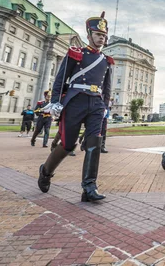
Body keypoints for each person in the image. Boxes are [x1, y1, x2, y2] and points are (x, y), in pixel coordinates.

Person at [37, 11, 113, 202]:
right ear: (89, 35)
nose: (101, 38)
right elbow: (61, 78)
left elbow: (107, 87)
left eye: (104, 35)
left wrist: (105, 106)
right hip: (75, 100)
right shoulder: (76, 54)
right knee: (68, 144)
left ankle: (89, 188)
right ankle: (46, 171)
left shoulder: (106, 60)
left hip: (96, 102)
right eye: (98, 35)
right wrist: (55, 101)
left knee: (94, 142)